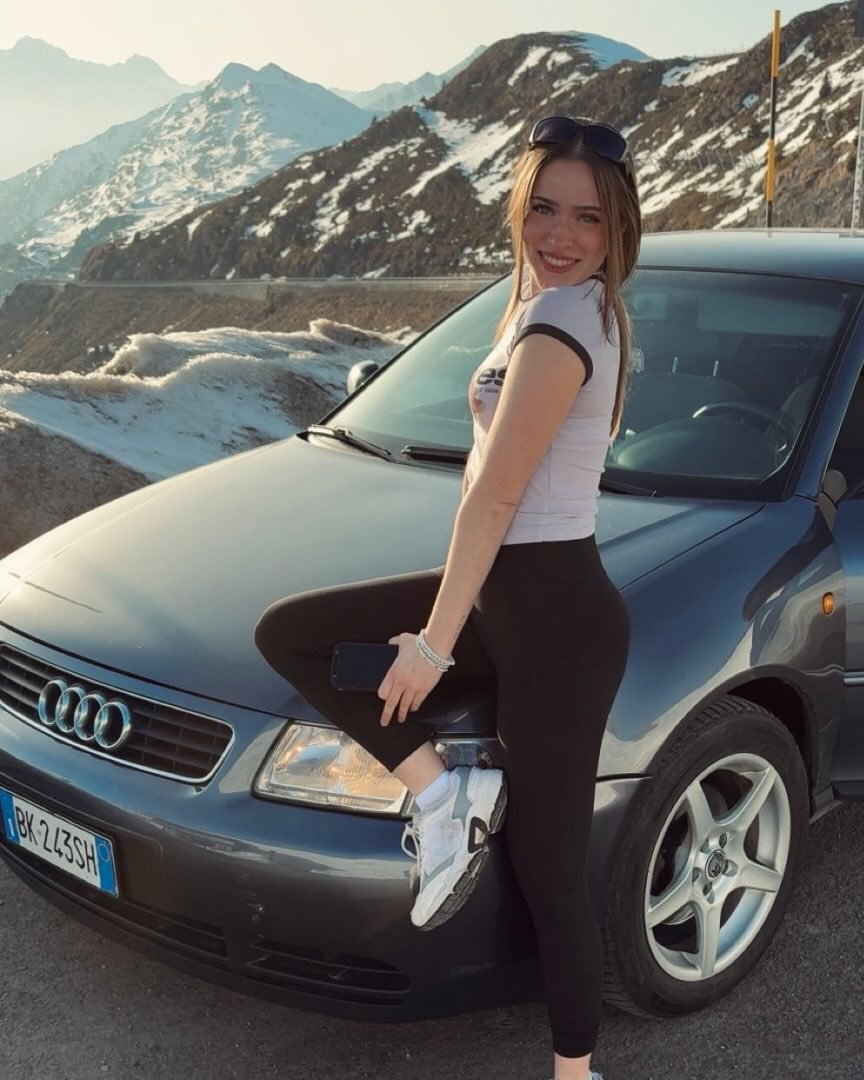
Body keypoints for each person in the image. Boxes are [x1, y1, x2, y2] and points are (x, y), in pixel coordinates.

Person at [254, 114, 641, 1080]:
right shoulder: (550, 306)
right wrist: (451, 621)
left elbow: (497, 496)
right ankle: (442, 789)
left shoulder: (562, 323)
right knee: (296, 635)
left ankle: (576, 1073)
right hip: (517, 595)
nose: (559, 233)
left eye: (586, 218)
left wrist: (432, 642)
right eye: (544, 208)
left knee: (552, 875)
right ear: (519, 208)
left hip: (556, 617)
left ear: (616, 229)